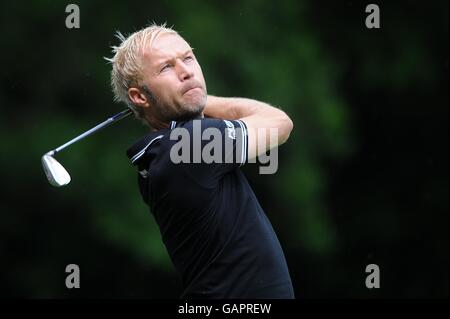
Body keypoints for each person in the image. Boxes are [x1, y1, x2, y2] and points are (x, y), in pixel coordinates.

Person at [106, 23, 295, 298]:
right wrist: (203, 99)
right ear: (139, 96)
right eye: (166, 67)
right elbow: (279, 123)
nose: (186, 71)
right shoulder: (190, 145)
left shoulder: (162, 153)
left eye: (188, 57)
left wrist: (194, 98)